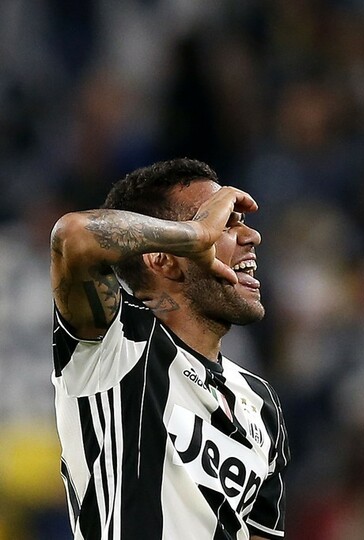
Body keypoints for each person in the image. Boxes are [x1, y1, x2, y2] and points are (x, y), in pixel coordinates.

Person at [49, 158, 290, 539]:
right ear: (163, 258)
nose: (252, 236)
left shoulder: (262, 404)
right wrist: (197, 234)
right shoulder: (115, 342)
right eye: (226, 224)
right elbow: (73, 236)